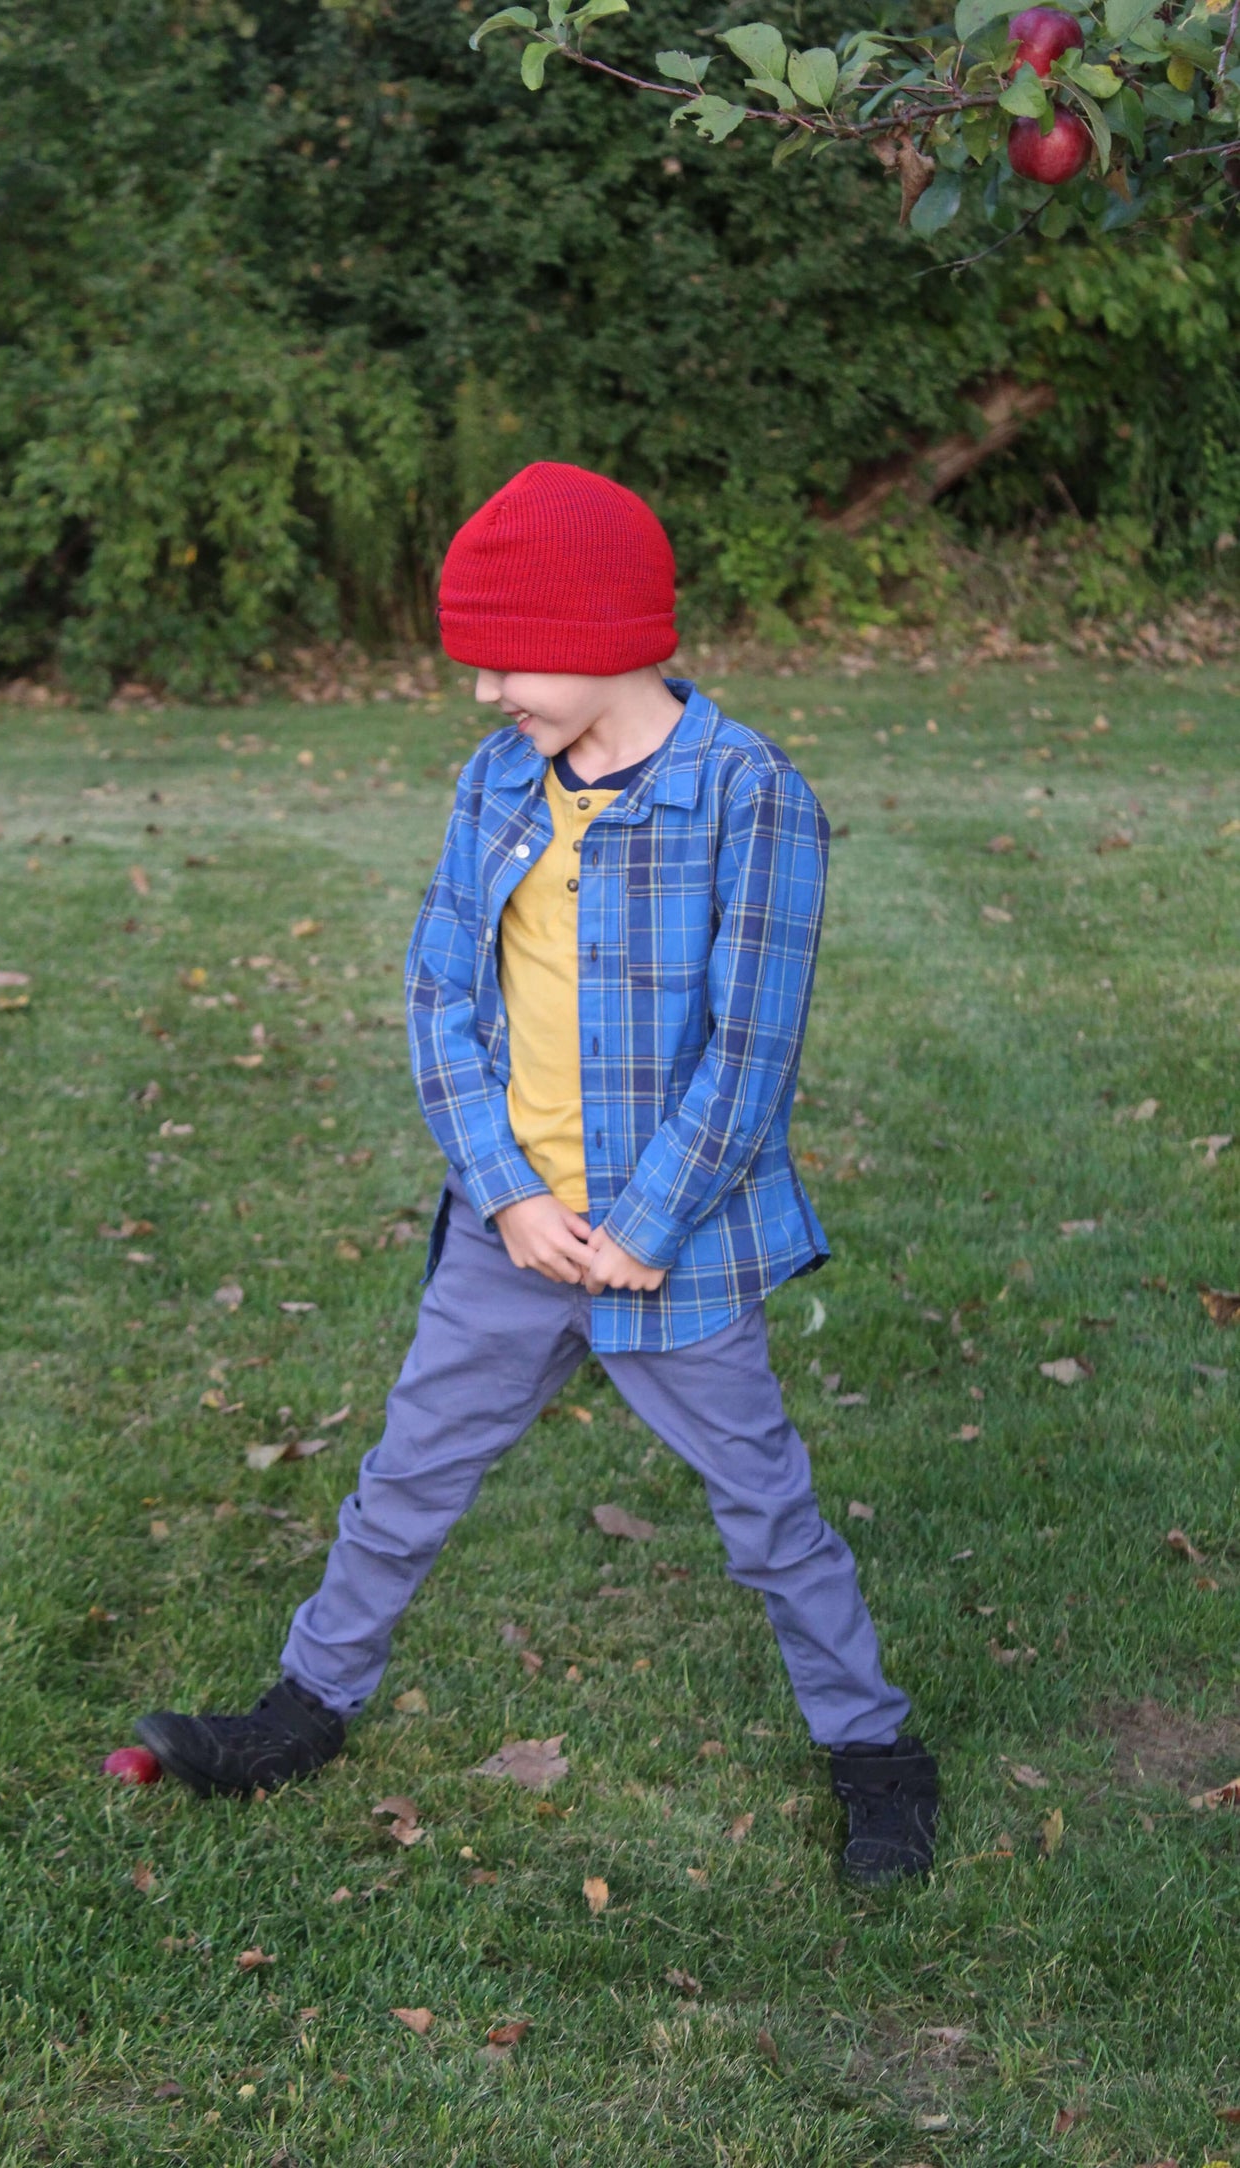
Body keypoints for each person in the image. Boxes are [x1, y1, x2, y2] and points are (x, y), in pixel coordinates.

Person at [136, 461, 939, 1885]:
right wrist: (505, 1193)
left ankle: (874, 1751)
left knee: (765, 1513)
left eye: (507, 654)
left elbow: (749, 1057)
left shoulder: (746, 798)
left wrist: (642, 1227)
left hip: (671, 1250)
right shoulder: (499, 776)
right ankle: (303, 1710)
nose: (486, 686)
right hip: (507, 1237)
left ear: (607, 632)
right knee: (404, 1478)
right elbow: (439, 990)